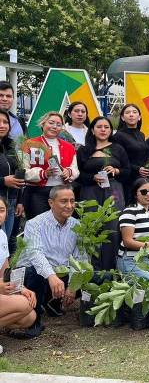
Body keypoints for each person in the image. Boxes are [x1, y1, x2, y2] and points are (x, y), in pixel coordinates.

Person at [19, 185, 86, 332]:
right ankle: (33, 322)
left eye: (72, 201)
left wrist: (73, 286)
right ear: (51, 203)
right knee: (35, 273)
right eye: (63, 201)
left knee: (89, 275)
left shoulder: (78, 226)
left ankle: (53, 302)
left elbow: (80, 258)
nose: (69, 206)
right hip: (34, 273)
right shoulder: (34, 224)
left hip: (59, 272)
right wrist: (51, 276)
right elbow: (35, 254)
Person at [76, 116, 129, 270]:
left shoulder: (118, 148)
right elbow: (78, 175)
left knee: (112, 231)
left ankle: (111, 270)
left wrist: (117, 170)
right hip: (90, 193)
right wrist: (92, 177)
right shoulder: (84, 150)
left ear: (111, 130)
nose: (103, 130)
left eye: (106, 127)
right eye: (99, 127)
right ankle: (90, 271)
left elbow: (128, 172)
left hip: (113, 192)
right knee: (91, 229)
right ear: (92, 130)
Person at [22, 112, 79, 219]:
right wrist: (43, 173)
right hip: (38, 192)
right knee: (38, 224)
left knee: (61, 223)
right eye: (51, 123)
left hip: (62, 191)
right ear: (43, 124)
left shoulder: (69, 147)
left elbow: (75, 168)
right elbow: (23, 170)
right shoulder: (29, 144)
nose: (54, 127)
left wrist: (69, 172)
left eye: (58, 124)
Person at [0, 196, 37, 338]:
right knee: (24, 305)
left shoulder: (2, 235)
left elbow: (5, 272)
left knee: (29, 317)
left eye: (1, 210)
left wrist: (20, 288)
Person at [117, 178, 149, 281]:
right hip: (131, 260)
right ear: (135, 194)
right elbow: (127, 241)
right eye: (143, 191)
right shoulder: (129, 212)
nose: (148, 194)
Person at [113, 104, 149, 205]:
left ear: (139, 117)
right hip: (127, 179)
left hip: (142, 178)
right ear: (122, 117)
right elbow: (119, 160)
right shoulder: (118, 136)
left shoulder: (141, 134)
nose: (131, 115)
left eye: (134, 112)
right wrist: (138, 169)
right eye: (127, 112)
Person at [0, 109, 24, 242]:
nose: (2, 125)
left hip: (11, 203)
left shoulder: (10, 147)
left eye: (5, 122)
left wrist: (20, 201)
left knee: (6, 243)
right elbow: (7, 179)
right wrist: (3, 181)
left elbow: (18, 175)